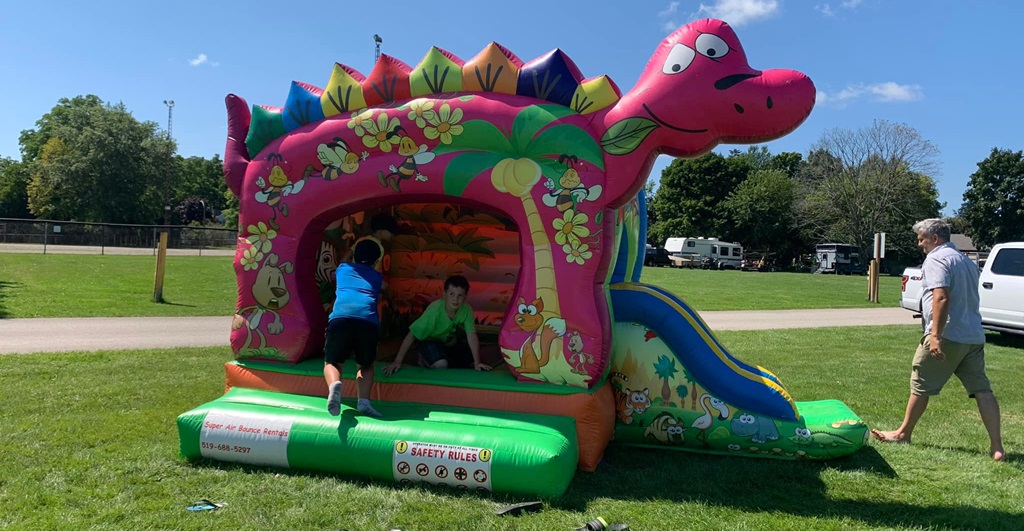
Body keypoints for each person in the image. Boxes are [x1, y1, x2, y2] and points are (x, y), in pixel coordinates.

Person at [871, 218, 1004, 461]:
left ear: (934, 238)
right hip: (973, 335)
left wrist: (935, 336)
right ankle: (997, 447)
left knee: (920, 384)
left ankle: (902, 433)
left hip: (947, 334)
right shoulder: (966, 261)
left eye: (921, 239)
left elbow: (941, 297)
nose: (919, 244)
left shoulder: (936, 258)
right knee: (982, 390)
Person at [323, 238, 385, 418]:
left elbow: (344, 259)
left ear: (354, 256)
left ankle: (335, 385)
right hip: (367, 321)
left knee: (333, 362)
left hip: (341, 319)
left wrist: (352, 248)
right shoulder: (376, 277)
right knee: (365, 365)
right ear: (375, 261)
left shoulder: (343, 270)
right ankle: (364, 402)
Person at [383, 275, 492, 375]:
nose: (455, 299)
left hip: (446, 341)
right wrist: (397, 362)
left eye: (460, 295)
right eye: (452, 294)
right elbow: (412, 334)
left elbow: (471, 335)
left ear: (465, 297)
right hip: (428, 339)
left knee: (470, 361)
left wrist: (477, 362)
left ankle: (439, 355)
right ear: (444, 295)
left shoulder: (466, 309)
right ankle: (423, 358)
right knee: (441, 365)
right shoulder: (434, 311)